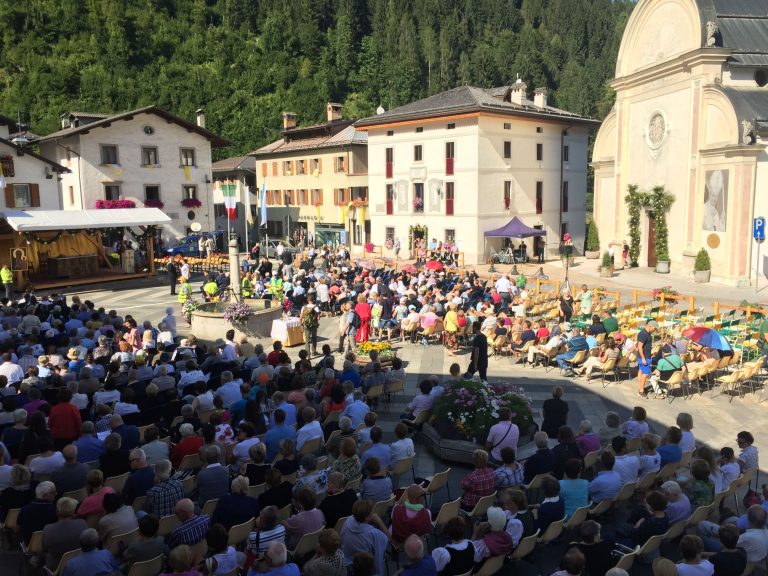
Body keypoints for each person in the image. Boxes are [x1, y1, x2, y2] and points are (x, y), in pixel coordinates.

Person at [340, 499, 389, 576]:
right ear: (367, 517)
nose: (373, 513)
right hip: (366, 569)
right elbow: (387, 538)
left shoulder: (347, 521)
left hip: (347, 566)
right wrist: (379, 521)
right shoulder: (373, 533)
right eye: (371, 512)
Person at [42, 497, 87, 573]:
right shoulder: (82, 523)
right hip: (80, 563)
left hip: (57, 568)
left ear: (57, 512)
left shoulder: (48, 529)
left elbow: (44, 548)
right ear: (73, 512)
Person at [636, 320, 658, 398]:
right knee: (645, 374)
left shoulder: (646, 333)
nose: (655, 330)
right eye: (654, 329)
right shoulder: (644, 334)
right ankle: (641, 391)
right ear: (650, 326)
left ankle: (641, 386)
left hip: (646, 356)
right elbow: (639, 346)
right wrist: (643, 358)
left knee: (641, 371)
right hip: (644, 357)